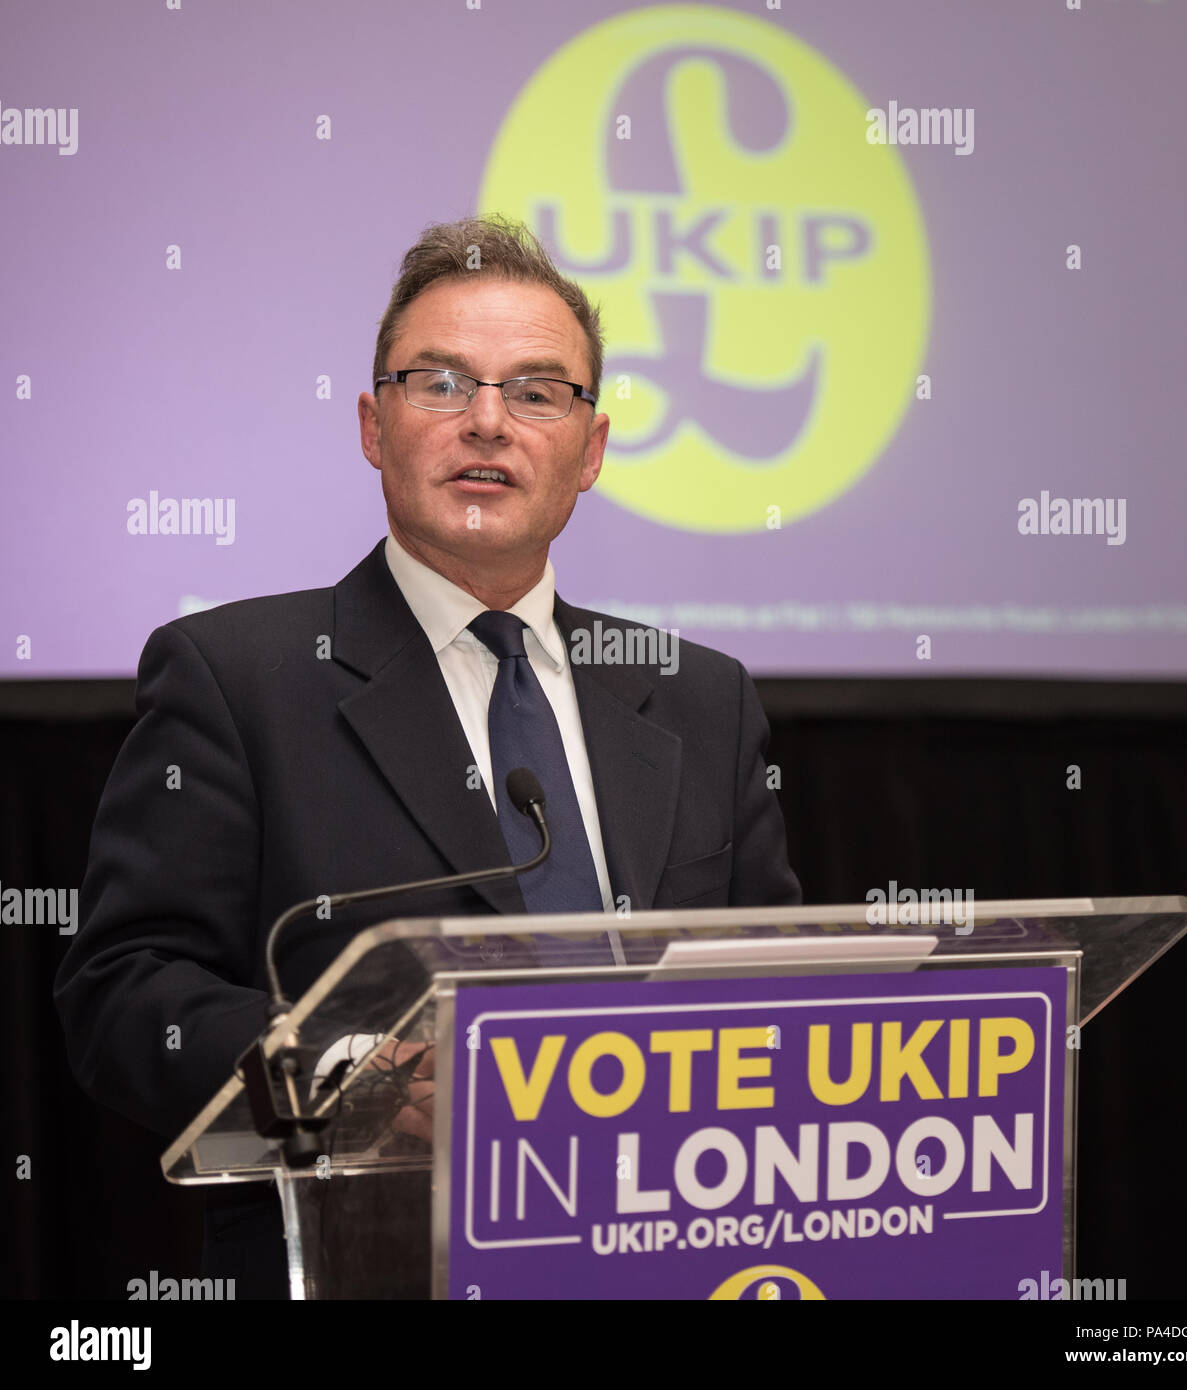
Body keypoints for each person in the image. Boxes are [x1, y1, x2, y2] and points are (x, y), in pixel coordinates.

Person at [54, 214, 802, 1297]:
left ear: (590, 450)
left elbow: (781, 997)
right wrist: (344, 1071)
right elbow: (122, 990)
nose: (488, 423)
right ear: (374, 425)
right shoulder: (238, 674)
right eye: (441, 383)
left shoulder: (698, 697)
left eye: (538, 390)